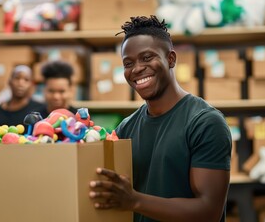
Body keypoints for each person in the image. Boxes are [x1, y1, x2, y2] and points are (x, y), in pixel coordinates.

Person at [89, 15, 232, 222]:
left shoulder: (205, 122)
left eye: (147, 58)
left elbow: (209, 212)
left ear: (171, 59)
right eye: (128, 63)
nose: (137, 69)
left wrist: (134, 201)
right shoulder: (126, 128)